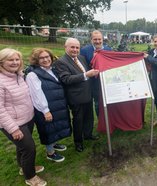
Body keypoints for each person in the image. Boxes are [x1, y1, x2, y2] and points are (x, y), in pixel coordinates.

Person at [0, 48, 46, 186]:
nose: (15, 62)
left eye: (17, 59)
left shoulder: (19, 75)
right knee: (29, 148)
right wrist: (13, 129)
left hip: (27, 118)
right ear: (1, 62)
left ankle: (23, 167)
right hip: (13, 123)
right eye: (10, 60)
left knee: (22, 147)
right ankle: (30, 176)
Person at [25, 48, 71, 162]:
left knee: (55, 127)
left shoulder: (52, 70)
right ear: (36, 60)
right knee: (48, 129)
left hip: (56, 105)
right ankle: (50, 153)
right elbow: (37, 94)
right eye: (41, 58)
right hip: (45, 108)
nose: (45, 60)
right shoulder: (32, 75)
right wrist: (45, 110)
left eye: (47, 57)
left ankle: (54, 144)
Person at [54, 38, 99, 152]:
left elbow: (88, 72)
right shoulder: (61, 61)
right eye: (72, 47)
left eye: (77, 47)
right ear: (66, 47)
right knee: (78, 120)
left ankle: (88, 135)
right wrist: (86, 75)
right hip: (76, 97)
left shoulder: (81, 58)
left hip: (88, 94)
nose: (75, 50)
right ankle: (78, 142)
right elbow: (66, 79)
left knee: (89, 117)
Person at [80, 30, 112, 117]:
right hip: (93, 82)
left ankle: (109, 120)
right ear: (91, 40)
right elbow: (82, 67)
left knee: (109, 101)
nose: (97, 41)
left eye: (99, 39)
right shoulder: (84, 51)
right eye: (95, 39)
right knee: (97, 102)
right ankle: (101, 121)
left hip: (106, 81)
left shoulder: (108, 49)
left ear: (102, 39)